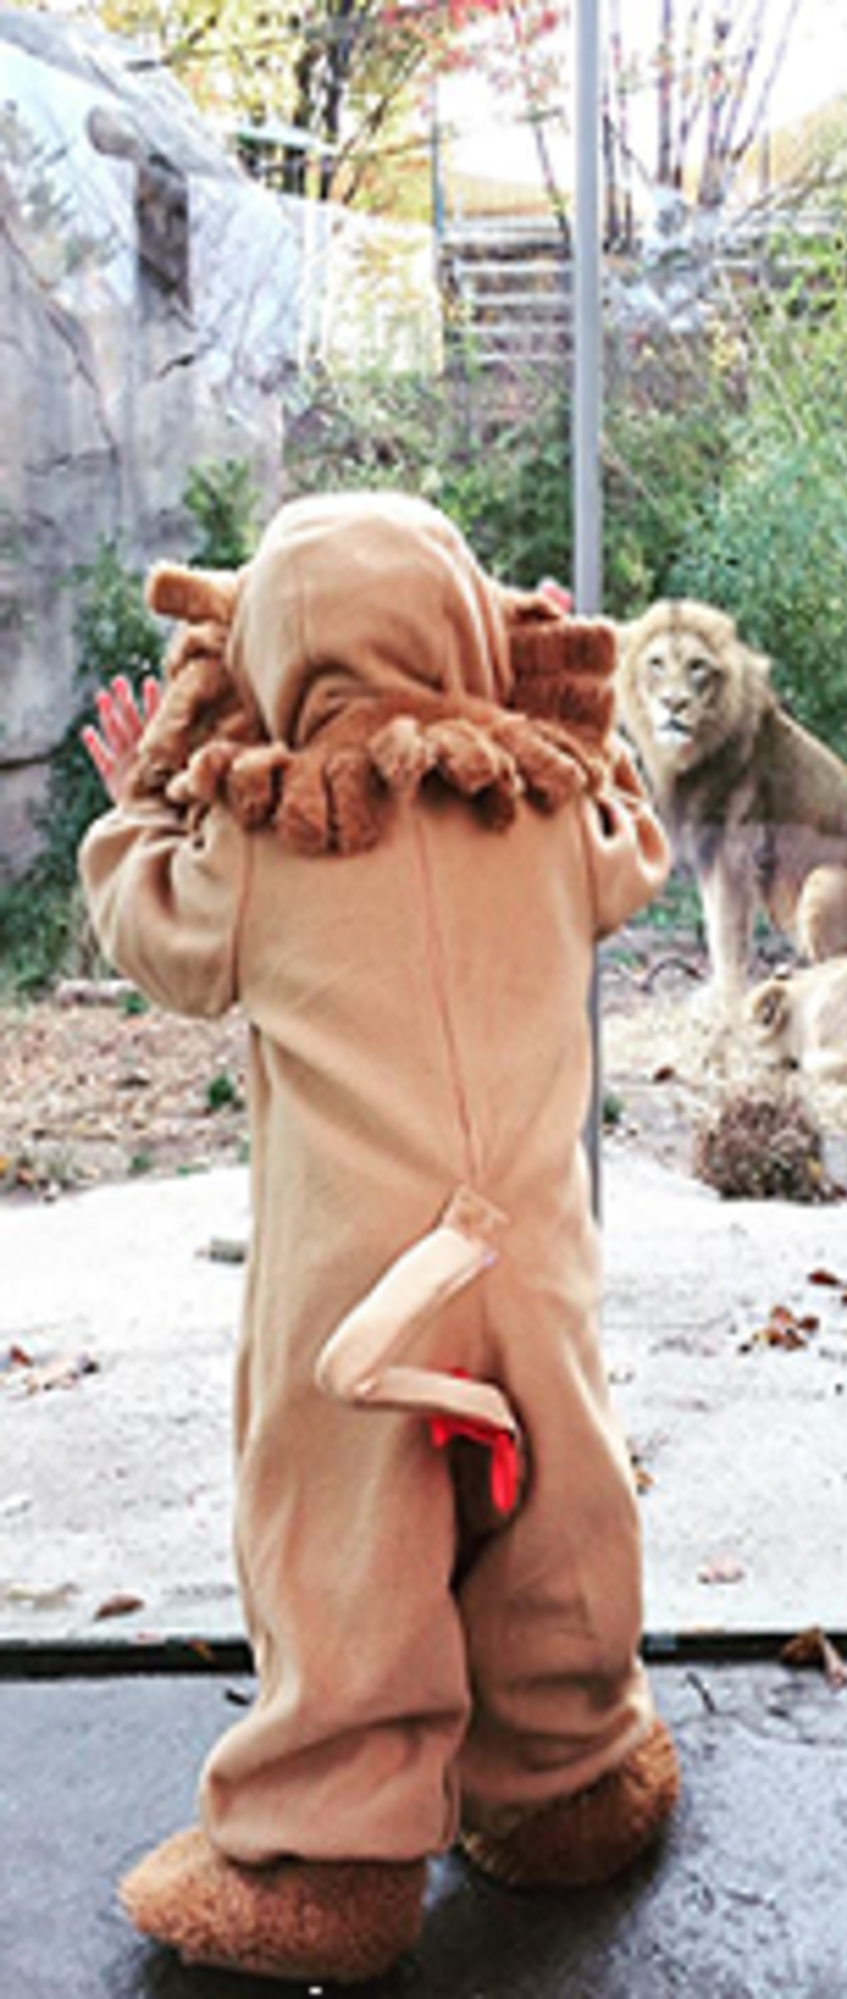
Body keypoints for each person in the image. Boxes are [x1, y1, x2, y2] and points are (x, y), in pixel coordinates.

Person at [78, 492, 677, 1984]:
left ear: (276, 648)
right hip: (529, 1268)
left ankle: (325, 1862)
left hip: (361, 1299)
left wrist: (143, 800)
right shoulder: (546, 813)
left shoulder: (261, 841)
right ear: (470, 626)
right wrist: (557, 707)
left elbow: (154, 929)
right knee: (563, 1513)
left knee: (344, 1543)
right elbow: (635, 842)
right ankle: (568, 1778)